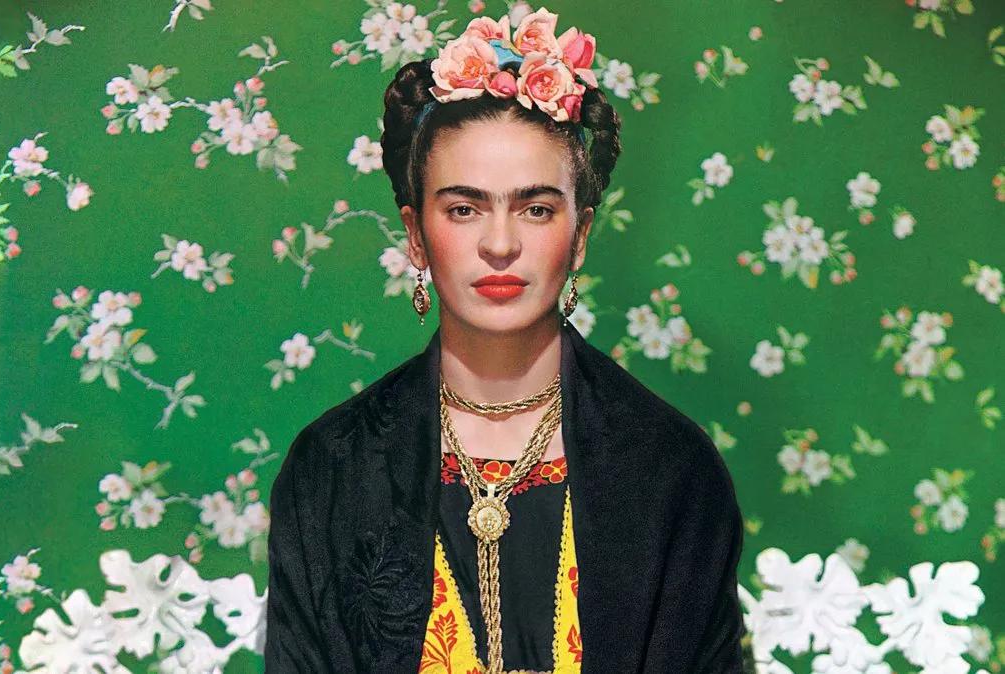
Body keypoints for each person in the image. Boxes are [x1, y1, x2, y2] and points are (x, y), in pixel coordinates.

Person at [264, 8, 746, 673]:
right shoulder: (332, 468)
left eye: (536, 209)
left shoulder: (671, 470)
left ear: (580, 236)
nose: (499, 243)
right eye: (464, 209)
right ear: (415, 234)